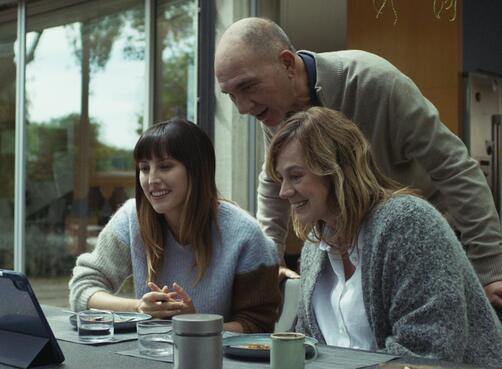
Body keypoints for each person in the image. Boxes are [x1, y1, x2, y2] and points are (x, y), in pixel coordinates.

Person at [213, 17, 502, 310]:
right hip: (350, 246)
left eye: (247, 87)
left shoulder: (375, 82)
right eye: (231, 95)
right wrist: (268, 261)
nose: (242, 108)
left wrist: (490, 268)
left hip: (422, 238)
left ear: (287, 64)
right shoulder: (274, 109)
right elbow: (273, 179)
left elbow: (454, 167)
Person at [265, 107, 502, 366]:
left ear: (337, 170)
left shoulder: (409, 224)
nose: (284, 192)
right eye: (281, 179)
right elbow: (311, 348)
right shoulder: (314, 248)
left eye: (296, 176)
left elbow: (428, 352)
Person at [68, 118, 281, 333]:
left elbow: (259, 326)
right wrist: (138, 307)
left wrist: (196, 324)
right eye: (144, 168)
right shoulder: (131, 218)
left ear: (197, 170)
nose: (151, 180)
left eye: (165, 166)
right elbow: (83, 289)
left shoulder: (246, 235)